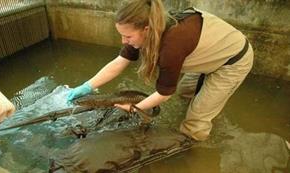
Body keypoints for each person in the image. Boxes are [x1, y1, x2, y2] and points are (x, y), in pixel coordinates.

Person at [67, 0, 253, 141]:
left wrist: (134, 108)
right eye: (122, 35)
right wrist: (86, 86)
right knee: (185, 93)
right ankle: (209, 109)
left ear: (146, 30)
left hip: (232, 60)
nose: (124, 41)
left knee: (194, 123)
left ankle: (194, 153)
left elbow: (164, 94)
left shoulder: (170, 47)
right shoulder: (145, 29)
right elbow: (119, 62)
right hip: (208, 50)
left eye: (127, 36)